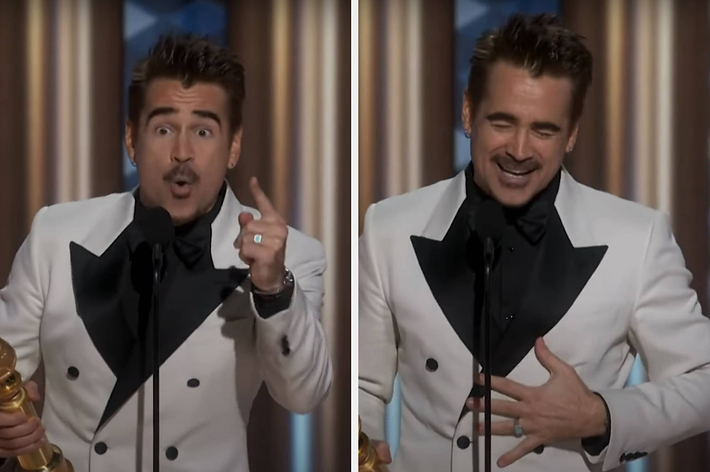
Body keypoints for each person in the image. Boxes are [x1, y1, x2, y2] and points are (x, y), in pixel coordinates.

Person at [359, 13, 710, 472]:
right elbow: (362, 385)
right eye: (503, 122)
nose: (520, 150)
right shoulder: (388, 226)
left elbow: (702, 381)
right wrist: (364, 447)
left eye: (544, 130)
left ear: (572, 134)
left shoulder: (637, 239)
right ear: (469, 111)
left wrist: (599, 415)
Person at [0, 35, 332, 472]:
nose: (182, 153)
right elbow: (5, 366)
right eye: (163, 128)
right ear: (132, 140)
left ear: (233, 147)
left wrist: (272, 288)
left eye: (203, 130)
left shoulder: (293, 256)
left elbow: (303, 395)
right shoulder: (56, 234)